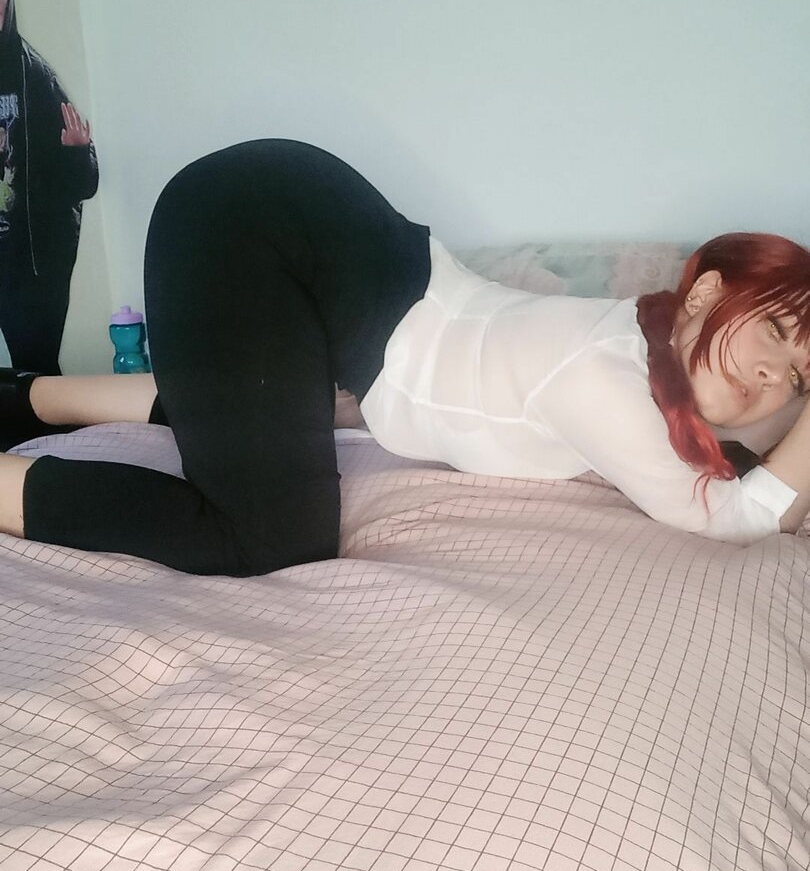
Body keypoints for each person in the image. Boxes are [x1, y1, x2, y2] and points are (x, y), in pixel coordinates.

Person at [0, 139, 807, 577]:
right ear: (705, 292)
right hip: (249, 231)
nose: (776, 375)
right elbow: (739, 519)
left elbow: (743, 456)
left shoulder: (639, 337)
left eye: (800, 376)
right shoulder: (609, 382)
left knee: (277, 411)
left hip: (300, 214)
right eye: (773, 329)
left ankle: (26, 399)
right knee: (265, 542)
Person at [0, 0, 99, 374]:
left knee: (36, 373)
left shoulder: (34, 76)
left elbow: (83, 185)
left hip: (27, 265)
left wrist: (77, 151)